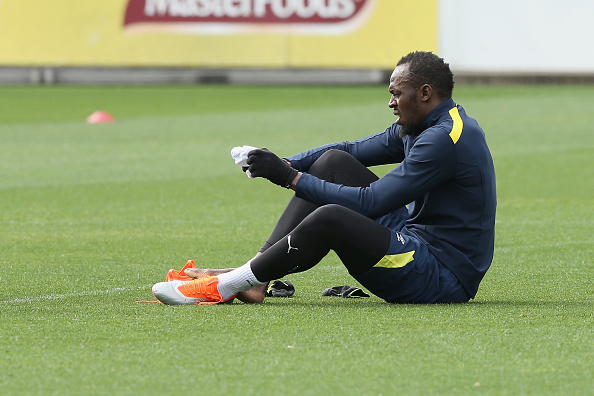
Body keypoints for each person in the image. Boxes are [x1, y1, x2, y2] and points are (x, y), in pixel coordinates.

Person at [151, 51, 497, 305]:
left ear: (424, 93)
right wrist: (288, 162)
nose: (391, 103)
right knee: (334, 162)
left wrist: (289, 176)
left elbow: (374, 201)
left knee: (331, 217)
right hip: (418, 243)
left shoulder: (443, 139)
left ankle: (226, 285)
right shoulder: (425, 124)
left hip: (441, 278)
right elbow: (350, 150)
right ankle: (255, 277)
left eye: (397, 94)